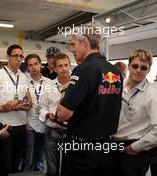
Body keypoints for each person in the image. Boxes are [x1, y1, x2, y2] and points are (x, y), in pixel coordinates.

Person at [56, 26, 123, 176]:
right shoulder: (116, 72)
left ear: (85, 42)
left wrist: (64, 92)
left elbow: (62, 114)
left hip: (82, 150)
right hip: (105, 147)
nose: (71, 50)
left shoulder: (84, 69)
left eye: (73, 44)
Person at [112, 49, 157, 176]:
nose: (138, 70)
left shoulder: (152, 94)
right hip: (113, 144)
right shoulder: (118, 88)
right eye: (135, 66)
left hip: (135, 150)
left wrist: (136, 147)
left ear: (148, 70)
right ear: (128, 66)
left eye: (143, 68)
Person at [0, 44, 32, 176]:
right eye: (15, 56)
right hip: (5, 126)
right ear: (8, 56)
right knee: (5, 166)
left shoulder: (23, 76)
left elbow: (29, 102)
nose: (18, 59)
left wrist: (16, 102)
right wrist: (7, 107)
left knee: (16, 165)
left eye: (21, 56)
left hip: (21, 125)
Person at [39, 53, 71, 176]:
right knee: (52, 170)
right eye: (60, 66)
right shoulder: (48, 86)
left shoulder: (78, 85)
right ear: (55, 68)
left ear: (70, 66)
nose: (64, 69)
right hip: (52, 132)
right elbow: (41, 108)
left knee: (69, 168)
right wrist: (48, 114)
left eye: (66, 65)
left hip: (71, 132)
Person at [21, 54, 51, 173]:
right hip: (30, 127)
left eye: (36, 64)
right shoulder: (24, 82)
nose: (33, 67)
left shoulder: (49, 82)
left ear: (41, 65)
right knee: (27, 161)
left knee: (41, 161)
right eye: (30, 65)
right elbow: (22, 105)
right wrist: (25, 124)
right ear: (27, 67)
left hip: (45, 127)